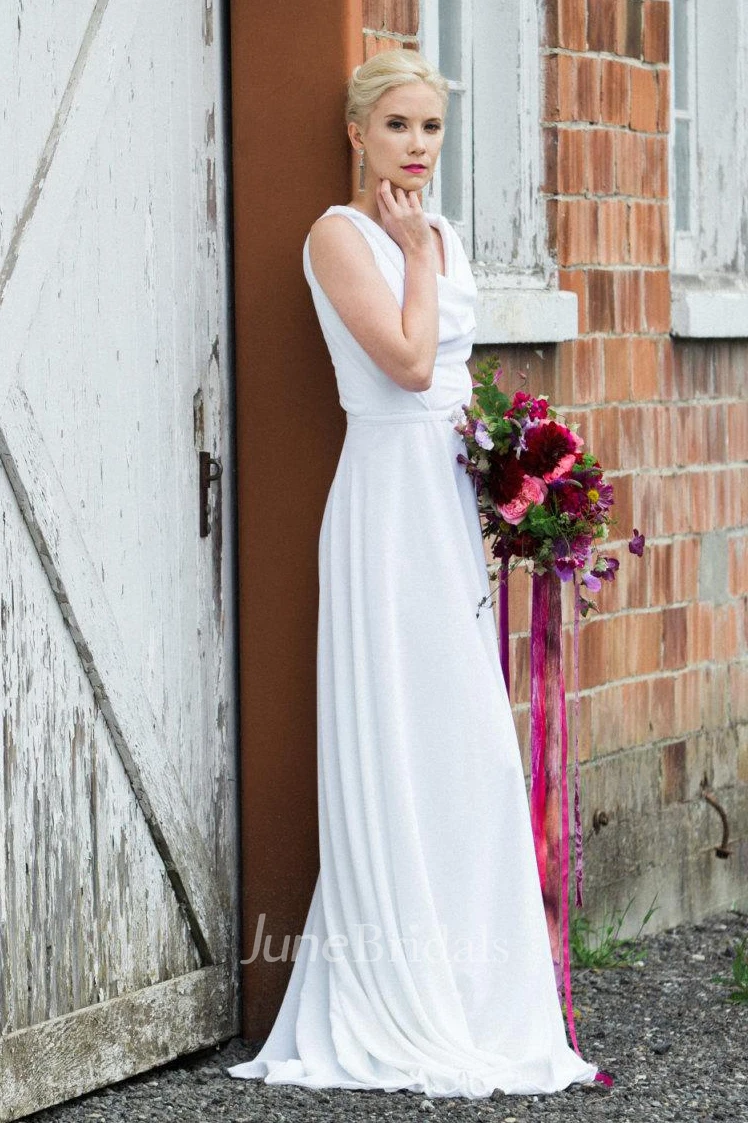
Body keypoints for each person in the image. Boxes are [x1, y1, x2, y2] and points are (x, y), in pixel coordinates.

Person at [227, 48, 606, 1098]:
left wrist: (509, 477)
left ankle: (484, 992)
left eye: (430, 129)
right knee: (395, 720)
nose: (416, 148)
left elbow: (456, 378)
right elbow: (401, 361)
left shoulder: (438, 233)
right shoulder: (342, 235)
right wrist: (413, 252)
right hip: (384, 499)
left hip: (442, 501)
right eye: (397, 126)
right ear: (356, 134)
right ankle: (397, 989)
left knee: (464, 739)